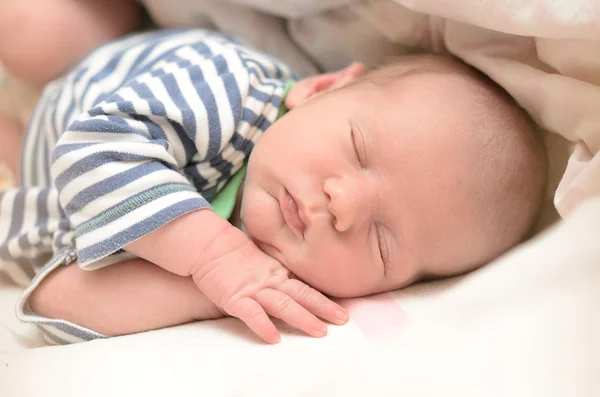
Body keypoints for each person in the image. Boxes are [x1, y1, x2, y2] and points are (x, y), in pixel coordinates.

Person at [0, 28, 546, 345]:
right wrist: (214, 256)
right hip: (87, 81)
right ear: (320, 88)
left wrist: (208, 292)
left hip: (40, 185)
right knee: (39, 33)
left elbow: (52, 301)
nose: (345, 205)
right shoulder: (228, 93)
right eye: (357, 148)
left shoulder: (273, 277)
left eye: (382, 242)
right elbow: (93, 147)